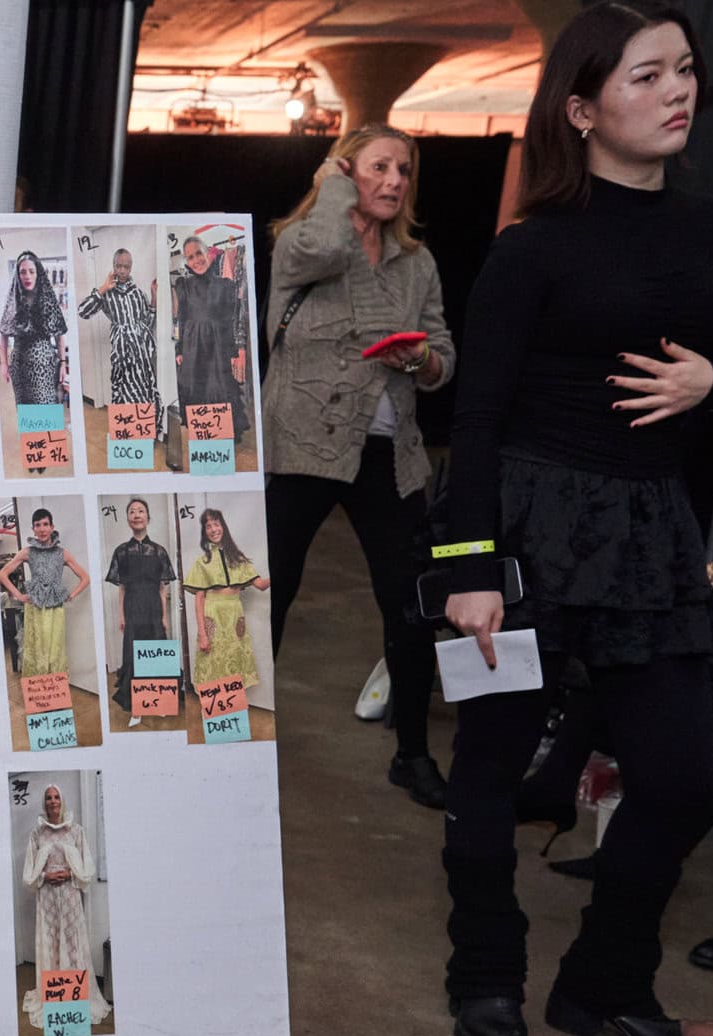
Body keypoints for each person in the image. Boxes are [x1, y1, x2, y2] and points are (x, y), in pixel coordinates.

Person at [440, 4, 713, 1036]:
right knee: (490, 768)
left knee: (682, 781)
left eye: (684, 70)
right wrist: (470, 566)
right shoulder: (534, 248)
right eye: (646, 76)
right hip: (529, 530)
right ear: (582, 108)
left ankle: (602, 982)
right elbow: (475, 418)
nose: (676, 90)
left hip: (651, 533)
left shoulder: (709, 233)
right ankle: (485, 973)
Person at [263, 123, 456, 808]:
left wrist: (423, 360)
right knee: (269, 596)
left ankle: (413, 754)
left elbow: (443, 357)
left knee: (410, 602)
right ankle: (237, 740)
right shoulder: (301, 243)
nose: (395, 181)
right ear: (344, 171)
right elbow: (323, 247)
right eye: (379, 167)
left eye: (404, 170)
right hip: (302, 444)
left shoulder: (417, 263)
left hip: (386, 451)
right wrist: (332, 191)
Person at [18, 785, 109, 1029]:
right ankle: (55, 995)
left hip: (69, 896)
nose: (53, 801)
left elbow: (87, 868)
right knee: (51, 941)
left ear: (62, 800)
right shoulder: (37, 834)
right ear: (44, 803)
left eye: (56, 797)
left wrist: (69, 873)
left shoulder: (75, 831)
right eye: (48, 798)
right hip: (47, 897)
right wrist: (45, 876)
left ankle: (75, 998)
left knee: (71, 942)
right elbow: (28, 873)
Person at [183, 508, 271, 691]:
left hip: (234, 614)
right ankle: (216, 708)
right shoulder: (202, 562)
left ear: (223, 526)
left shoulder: (238, 559)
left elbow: (261, 585)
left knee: (234, 662)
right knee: (213, 662)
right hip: (213, 614)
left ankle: (233, 707)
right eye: (208, 526)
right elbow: (199, 599)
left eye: (216, 524)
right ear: (204, 532)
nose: (213, 529)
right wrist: (203, 634)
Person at [76, 247, 160, 438]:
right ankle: (125, 436)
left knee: (142, 392)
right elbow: (82, 311)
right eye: (118, 266)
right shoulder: (107, 293)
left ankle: (142, 436)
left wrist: (153, 295)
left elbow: (148, 322)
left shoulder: (138, 293)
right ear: (113, 266)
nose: (122, 270)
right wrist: (103, 288)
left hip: (141, 355)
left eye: (126, 267)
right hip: (121, 353)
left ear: (131, 267)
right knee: (121, 391)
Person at [172, 236, 250, 441]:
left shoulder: (226, 285)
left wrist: (234, 351)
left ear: (207, 253)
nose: (196, 260)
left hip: (217, 347)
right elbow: (182, 318)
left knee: (218, 388)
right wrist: (179, 348)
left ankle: (220, 438)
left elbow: (230, 320)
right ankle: (204, 437)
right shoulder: (184, 286)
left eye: (199, 253)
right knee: (197, 389)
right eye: (190, 257)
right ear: (186, 261)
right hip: (193, 346)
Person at [105, 499, 174, 727]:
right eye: (132, 511)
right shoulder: (121, 552)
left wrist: (164, 617)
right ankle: (137, 708)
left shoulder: (159, 551)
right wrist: (122, 616)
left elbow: (162, 588)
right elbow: (122, 587)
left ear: (148, 518)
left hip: (154, 608)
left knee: (156, 655)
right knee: (134, 656)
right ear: (128, 519)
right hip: (133, 608)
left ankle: (159, 702)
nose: (137, 515)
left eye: (141, 511)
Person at [0, 508, 89, 679]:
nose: (42, 529)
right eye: (38, 525)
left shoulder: (62, 553)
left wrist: (71, 595)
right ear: (33, 529)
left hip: (55, 608)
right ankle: (38, 689)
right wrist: (19, 595)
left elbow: (85, 578)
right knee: (36, 648)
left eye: (45, 524)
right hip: (35, 607)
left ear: (52, 527)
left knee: (55, 648)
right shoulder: (28, 552)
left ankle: (55, 688)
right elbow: (3, 574)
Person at [0, 250, 67, 415]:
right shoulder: (13, 302)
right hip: (20, 366)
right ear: (18, 275)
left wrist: (63, 363)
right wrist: (4, 365)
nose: (27, 276)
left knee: (47, 411)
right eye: (23, 272)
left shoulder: (48, 300)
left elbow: (59, 335)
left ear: (38, 273)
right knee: (27, 414)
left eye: (31, 271)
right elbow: (3, 335)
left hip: (45, 365)